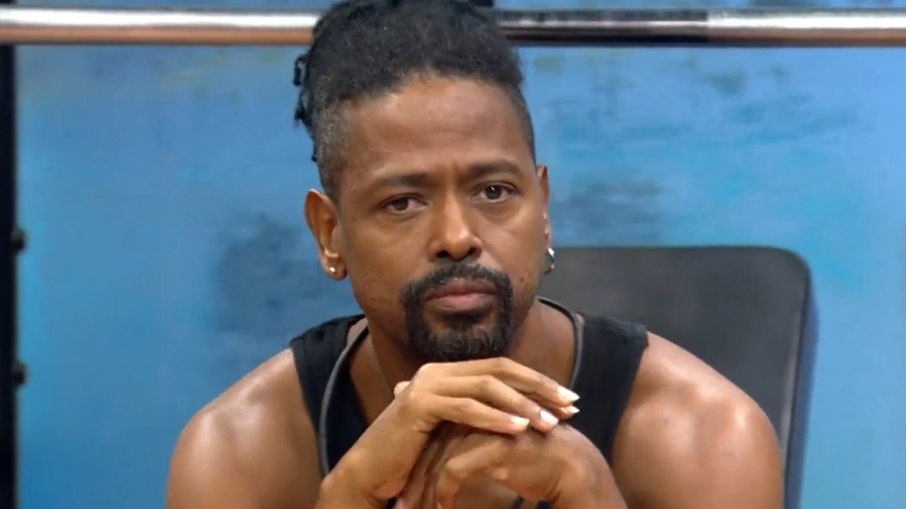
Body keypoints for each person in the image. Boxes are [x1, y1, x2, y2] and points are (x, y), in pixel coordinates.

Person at [166, 0, 783, 507]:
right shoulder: (241, 452)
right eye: (403, 202)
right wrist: (349, 498)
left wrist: (595, 499)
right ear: (330, 232)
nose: (457, 236)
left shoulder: (702, 435)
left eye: (494, 191)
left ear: (543, 207)